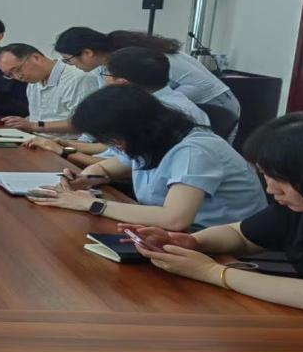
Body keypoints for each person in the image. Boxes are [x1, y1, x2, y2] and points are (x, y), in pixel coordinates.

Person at [127, 112, 303, 344]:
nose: (270, 189)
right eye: (266, 175)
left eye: (280, 179)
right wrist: (194, 242)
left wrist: (214, 273)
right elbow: (240, 235)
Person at [28, 85, 266, 231]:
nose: (112, 145)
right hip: (176, 232)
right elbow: (109, 168)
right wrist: (85, 179)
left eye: (111, 139)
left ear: (132, 128)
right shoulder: (155, 140)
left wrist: (90, 204)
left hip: (220, 241)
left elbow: (175, 219)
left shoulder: (194, 151)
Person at [25, 47, 209, 166]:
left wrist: (63, 151)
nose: (101, 80)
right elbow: (112, 151)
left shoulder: (161, 113)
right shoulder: (146, 103)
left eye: (104, 74)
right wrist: (67, 145)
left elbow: (124, 166)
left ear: (122, 83)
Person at [106, 29, 241, 122]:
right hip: (194, 103)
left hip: (216, 102)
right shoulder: (154, 57)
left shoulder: (161, 59)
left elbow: (203, 85)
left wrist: (156, 99)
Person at [0, 43, 99, 134]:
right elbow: (42, 117)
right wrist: (19, 122)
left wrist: (34, 126)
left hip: (72, 144)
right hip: (39, 139)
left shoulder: (77, 79)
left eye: (17, 69)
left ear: (36, 58)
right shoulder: (33, 82)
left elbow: (85, 122)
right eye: (10, 74)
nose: (17, 76)